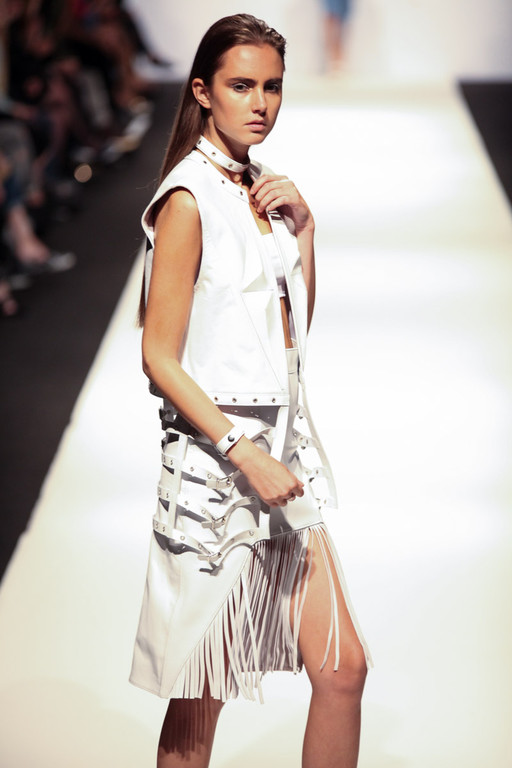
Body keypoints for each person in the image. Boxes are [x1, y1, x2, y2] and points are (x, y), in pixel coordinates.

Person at [131, 14, 371, 768]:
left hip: (281, 462)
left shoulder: (257, 188)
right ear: (203, 92)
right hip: (216, 475)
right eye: (242, 86)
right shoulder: (188, 198)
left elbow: (288, 339)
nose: (261, 103)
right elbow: (157, 356)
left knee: (343, 670)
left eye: (272, 86)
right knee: (200, 702)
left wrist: (305, 232)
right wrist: (243, 451)